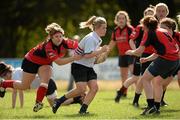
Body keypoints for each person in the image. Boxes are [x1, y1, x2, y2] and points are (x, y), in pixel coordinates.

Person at [0, 22, 82, 112]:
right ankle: (3, 84)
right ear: (51, 37)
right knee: (24, 86)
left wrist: (94, 52)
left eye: (60, 36)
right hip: (31, 61)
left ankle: (38, 103)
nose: (59, 39)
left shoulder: (66, 42)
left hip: (45, 63)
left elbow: (81, 46)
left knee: (45, 82)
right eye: (56, 37)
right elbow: (59, 62)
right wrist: (74, 58)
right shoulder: (48, 46)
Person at [52, 16, 109, 114]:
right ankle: (59, 101)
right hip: (79, 66)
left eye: (105, 27)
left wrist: (98, 56)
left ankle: (83, 110)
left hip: (88, 67)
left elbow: (90, 55)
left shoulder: (97, 38)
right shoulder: (91, 38)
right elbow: (87, 55)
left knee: (94, 88)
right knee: (81, 89)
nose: (105, 30)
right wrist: (101, 50)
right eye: (103, 27)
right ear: (97, 28)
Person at [126, 16, 179, 115]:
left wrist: (130, 52)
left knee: (145, 78)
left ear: (146, 25)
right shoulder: (162, 31)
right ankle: (157, 108)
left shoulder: (150, 32)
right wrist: (147, 59)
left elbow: (138, 52)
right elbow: (160, 51)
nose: (142, 28)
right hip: (175, 61)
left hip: (166, 59)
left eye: (143, 26)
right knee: (157, 82)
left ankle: (151, 106)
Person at [113, 6, 155, 104]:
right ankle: (122, 92)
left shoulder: (157, 28)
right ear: (144, 17)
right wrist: (136, 51)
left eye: (151, 14)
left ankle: (154, 102)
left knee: (150, 79)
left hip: (153, 56)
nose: (149, 16)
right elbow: (131, 39)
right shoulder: (140, 28)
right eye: (147, 14)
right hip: (140, 56)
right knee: (137, 77)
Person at [108, 11, 134, 101]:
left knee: (134, 74)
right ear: (117, 20)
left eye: (123, 18)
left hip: (131, 54)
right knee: (123, 76)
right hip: (122, 55)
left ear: (126, 19)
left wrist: (135, 52)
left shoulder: (130, 29)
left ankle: (138, 93)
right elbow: (112, 42)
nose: (121, 20)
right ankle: (124, 92)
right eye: (120, 18)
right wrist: (106, 52)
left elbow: (135, 41)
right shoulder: (115, 30)